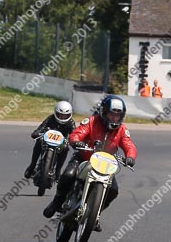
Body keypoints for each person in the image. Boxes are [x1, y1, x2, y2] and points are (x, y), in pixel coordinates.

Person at [43, 94, 137, 230]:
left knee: (113, 190)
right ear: (104, 112)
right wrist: (76, 141)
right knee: (68, 175)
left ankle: (95, 215)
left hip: (106, 164)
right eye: (111, 114)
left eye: (118, 115)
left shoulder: (122, 130)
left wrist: (130, 157)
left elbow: (129, 145)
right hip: (84, 158)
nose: (114, 118)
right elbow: (77, 133)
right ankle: (56, 202)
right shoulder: (92, 121)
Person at [23, 100, 75, 180]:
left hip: (61, 143)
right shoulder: (51, 118)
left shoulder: (71, 122)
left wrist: (74, 141)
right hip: (47, 139)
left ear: (69, 115)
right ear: (56, 113)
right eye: (60, 115)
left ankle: (57, 171)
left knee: (65, 148)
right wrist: (36, 133)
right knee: (39, 141)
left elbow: (74, 134)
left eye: (65, 116)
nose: (62, 117)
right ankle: (32, 165)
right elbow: (42, 127)